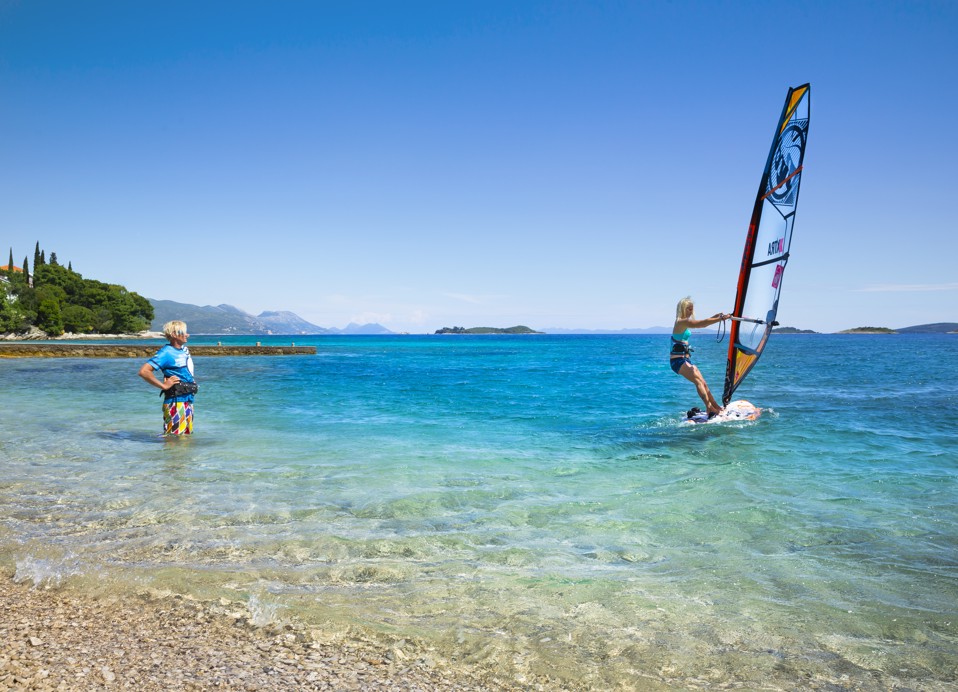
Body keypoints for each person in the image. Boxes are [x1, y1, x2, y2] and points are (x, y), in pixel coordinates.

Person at [670, 297, 730, 417]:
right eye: (688, 309)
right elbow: (702, 324)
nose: (691, 312)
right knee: (698, 381)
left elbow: (704, 322)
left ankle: (716, 406)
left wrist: (716, 316)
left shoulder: (684, 322)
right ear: (682, 309)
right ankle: (709, 408)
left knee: (703, 382)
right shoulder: (681, 322)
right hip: (677, 361)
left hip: (685, 360)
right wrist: (719, 319)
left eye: (692, 309)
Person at [138, 320, 198, 435]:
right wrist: (163, 386)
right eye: (184, 332)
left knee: (186, 438)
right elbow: (144, 371)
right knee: (174, 439)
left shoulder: (184, 351)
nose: (187, 335)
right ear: (174, 334)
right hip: (175, 402)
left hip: (188, 400)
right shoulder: (166, 353)